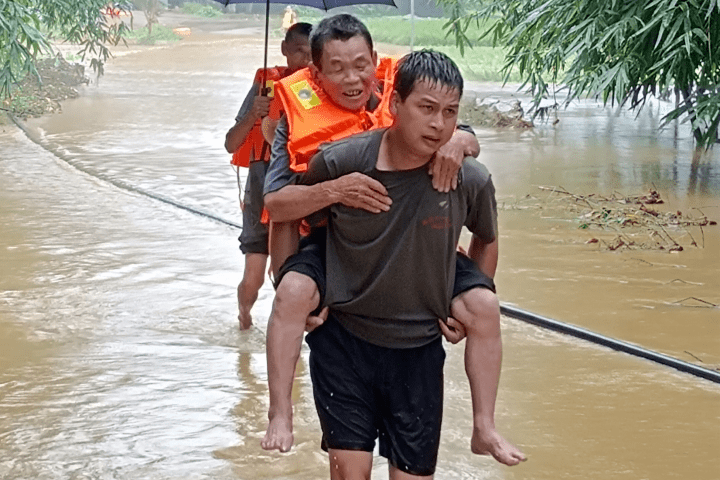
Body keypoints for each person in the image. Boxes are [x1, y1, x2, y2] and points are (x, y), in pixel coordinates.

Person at [259, 14, 524, 469]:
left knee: (483, 305)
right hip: (335, 242)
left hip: (419, 253)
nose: (352, 78)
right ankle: (279, 412)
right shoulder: (308, 132)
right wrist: (334, 193)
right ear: (315, 75)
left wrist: (461, 140)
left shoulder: (414, 102)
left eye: (360, 64)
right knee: (294, 291)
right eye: (336, 68)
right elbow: (280, 206)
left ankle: (486, 425)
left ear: (377, 65)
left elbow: (452, 128)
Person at [224, 22, 312, 330]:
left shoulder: (313, 92)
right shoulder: (264, 89)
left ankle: (288, 337)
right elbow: (230, 144)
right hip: (260, 189)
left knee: (288, 276)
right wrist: (254, 115)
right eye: (299, 51)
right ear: (284, 49)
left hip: (293, 193)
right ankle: (244, 317)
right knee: (254, 277)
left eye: (312, 54)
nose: (306, 60)